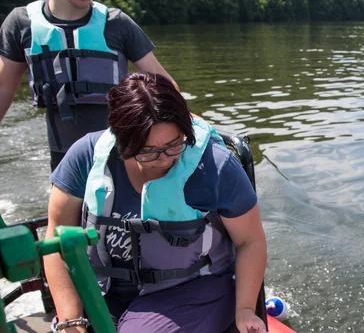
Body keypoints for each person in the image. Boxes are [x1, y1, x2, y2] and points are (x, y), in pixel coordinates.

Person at [44, 72, 267, 333]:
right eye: (148, 151)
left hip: (190, 289)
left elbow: (250, 241)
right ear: (121, 139)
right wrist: (70, 320)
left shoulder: (217, 167)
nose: (163, 159)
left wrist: (244, 310)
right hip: (104, 288)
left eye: (174, 145)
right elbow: (56, 238)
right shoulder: (86, 155)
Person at [0, 0, 176, 171]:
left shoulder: (117, 24)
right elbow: (3, 88)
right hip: (64, 158)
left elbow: (166, 87)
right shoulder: (21, 24)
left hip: (120, 154)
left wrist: (191, 130)